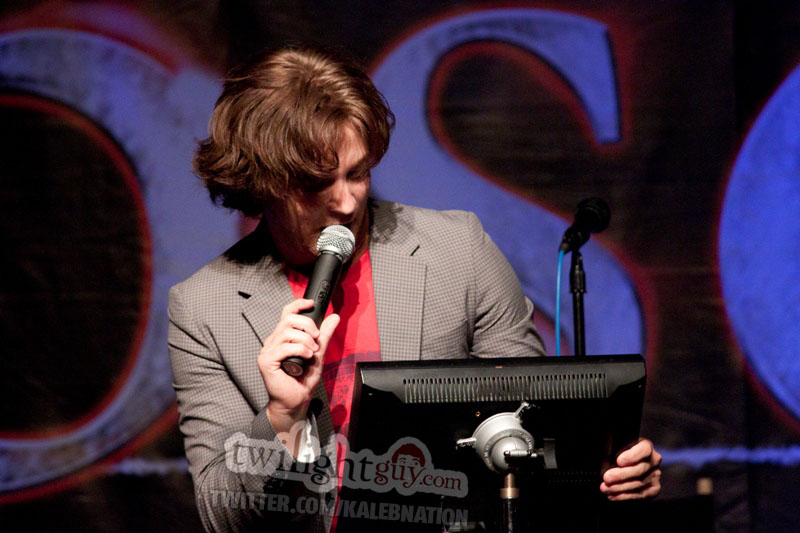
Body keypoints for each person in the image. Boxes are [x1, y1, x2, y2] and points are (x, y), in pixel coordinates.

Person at [168, 44, 662, 532]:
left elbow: (534, 424)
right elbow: (221, 515)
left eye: (357, 174)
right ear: (262, 182)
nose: (346, 202)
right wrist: (281, 418)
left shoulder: (457, 249)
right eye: (317, 184)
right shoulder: (204, 308)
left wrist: (608, 470)